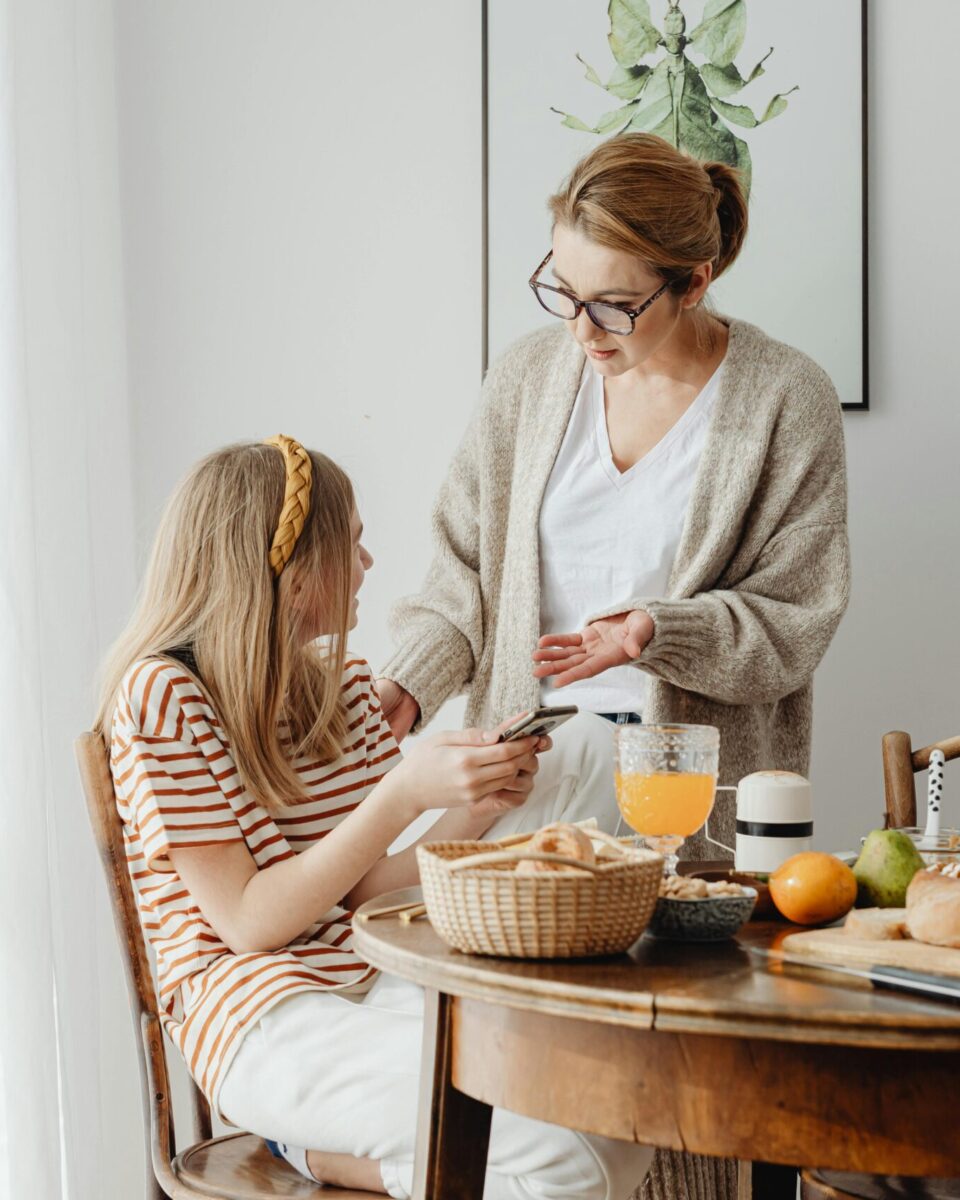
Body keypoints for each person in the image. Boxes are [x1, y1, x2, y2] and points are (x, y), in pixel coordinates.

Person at [94, 436, 654, 1199]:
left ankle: (336, 1156)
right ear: (293, 574)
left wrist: (479, 803)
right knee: (571, 1150)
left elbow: (366, 896)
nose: (367, 566)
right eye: (351, 545)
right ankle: (342, 1150)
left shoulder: (340, 686)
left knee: (616, 1114)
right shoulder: (163, 696)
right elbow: (252, 923)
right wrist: (406, 794)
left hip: (381, 973)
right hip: (266, 1017)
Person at [378, 132, 850, 859]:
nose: (580, 329)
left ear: (693, 282)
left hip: (686, 800)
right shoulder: (526, 381)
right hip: (525, 769)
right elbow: (463, 575)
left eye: (615, 305)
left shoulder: (785, 398)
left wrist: (658, 632)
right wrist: (409, 683)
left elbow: (795, 618)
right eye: (564, 291)